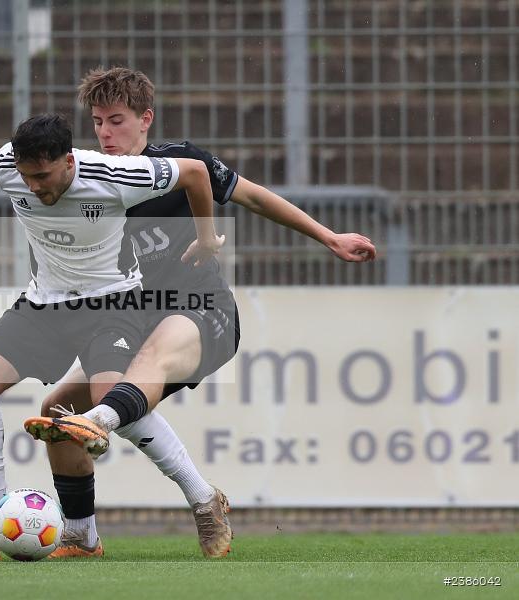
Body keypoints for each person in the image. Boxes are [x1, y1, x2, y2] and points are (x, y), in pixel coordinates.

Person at [24, 67, 378, 558]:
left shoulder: (178, 163)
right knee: (58, 412)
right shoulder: (87, 183)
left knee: (135, 375)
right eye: (98, 122)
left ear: (146, 119)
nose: (105, 133)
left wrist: (329, 237)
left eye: (118, 120)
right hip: (133, 318)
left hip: (201, 310)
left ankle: (107, 426)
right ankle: (86, 534)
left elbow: (254, 196)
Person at [0, 112, 225, 562]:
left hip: (111, 304)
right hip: (43, 305)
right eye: (27, 178)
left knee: (109, 403)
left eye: (43, 176)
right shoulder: (6, 165)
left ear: (68, 160)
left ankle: (204, 501)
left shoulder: (114, 174)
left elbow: (196, 174)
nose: (35, 188)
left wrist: (206, 238)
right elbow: (22, 174)